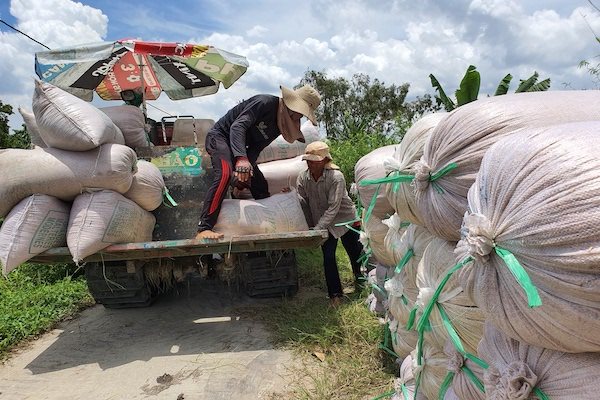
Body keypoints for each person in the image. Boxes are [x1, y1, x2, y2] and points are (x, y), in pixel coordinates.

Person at [195, 84, 322, 240]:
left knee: (259, 185)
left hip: (243, 149)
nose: (299, 118)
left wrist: (247, 170)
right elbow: (237, 127)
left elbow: (256, 147)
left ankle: (267, 228)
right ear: (294, 106)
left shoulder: (278, 125)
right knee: (225, 174)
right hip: (221, 137)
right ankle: (204, 227)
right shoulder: (265, 102)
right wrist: (241, 159)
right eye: (300, 114)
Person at [296, 141, 364, 305]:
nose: (310, 163)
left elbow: (334, 207)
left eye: (313, 160)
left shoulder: (336, 177)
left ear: (323, 160)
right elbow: (303, 202)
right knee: (328, 257)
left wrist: (318, 227)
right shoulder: (303, 178)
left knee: (356, 255)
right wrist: (310, 225)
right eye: (308, 160)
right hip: (324, 222)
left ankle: (362, 286)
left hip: (345, 219)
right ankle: (335, 296)